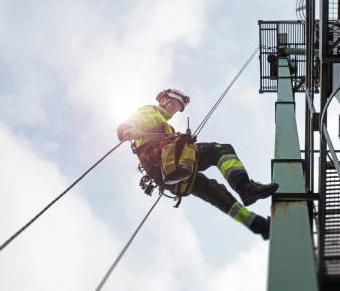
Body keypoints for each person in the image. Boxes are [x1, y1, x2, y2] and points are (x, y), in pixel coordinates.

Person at [116, 88, 278, 239]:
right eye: (172, 103)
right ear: (163, 99)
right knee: (220, 150)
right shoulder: (151, 111)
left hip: (169, 173)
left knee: (216, 193)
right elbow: (135, 121)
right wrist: (126, 129)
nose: (173, 109)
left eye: (177, 107)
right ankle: (245, 188)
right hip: (168, 161)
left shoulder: (167, 128)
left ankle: (260, 226)